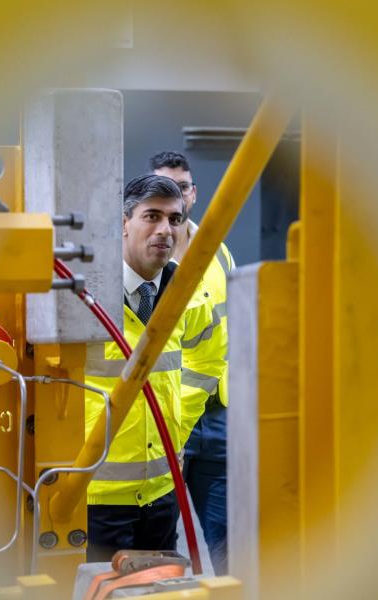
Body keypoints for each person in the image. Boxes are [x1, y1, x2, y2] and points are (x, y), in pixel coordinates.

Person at [84, 174, 224, 562]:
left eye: (175, 219)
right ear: (124, 222)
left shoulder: (189, 294)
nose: (165, 230)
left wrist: (177, 430)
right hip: (93, 494)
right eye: (152, 216)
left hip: (161, 492)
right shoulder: (82, 296)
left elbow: (207, 361)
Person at [150, 150, 234, 575]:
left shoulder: (218, 253)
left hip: (215, 417)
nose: (173, 197)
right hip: (162, 415)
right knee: (158, 537)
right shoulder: (139, 257)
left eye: (180, 188)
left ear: (193, 194)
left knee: (225, 538)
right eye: (162, 186)